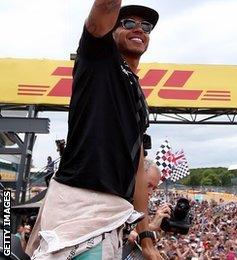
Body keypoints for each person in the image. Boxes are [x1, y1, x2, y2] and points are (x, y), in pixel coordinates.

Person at [26, 1, 158, 259]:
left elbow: (138, 169)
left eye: (146, 26)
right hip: (78, 206)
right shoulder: (99, 58)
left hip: (112, 216)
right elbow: (104, 9)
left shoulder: (137, 94)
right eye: (128, 23)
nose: (139, 29)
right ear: (112, 30)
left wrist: (147, 240)